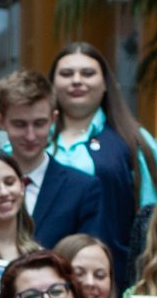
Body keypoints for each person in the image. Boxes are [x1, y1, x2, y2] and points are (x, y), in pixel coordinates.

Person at [46, 41, 145, 282]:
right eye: (67, 74)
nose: (77, 80)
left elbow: (150, 218)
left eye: (88, 73)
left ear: (105, 85)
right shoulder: (31, 141)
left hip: (110, 277)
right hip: (42, 276)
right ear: (53, 84)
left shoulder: (133, 141)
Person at [0, 69, 111, 253]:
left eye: (39, 123)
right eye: (20, 124)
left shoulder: (82, 189)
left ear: (53, 119)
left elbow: (88, 259)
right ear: (1, 122)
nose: (30, 135)